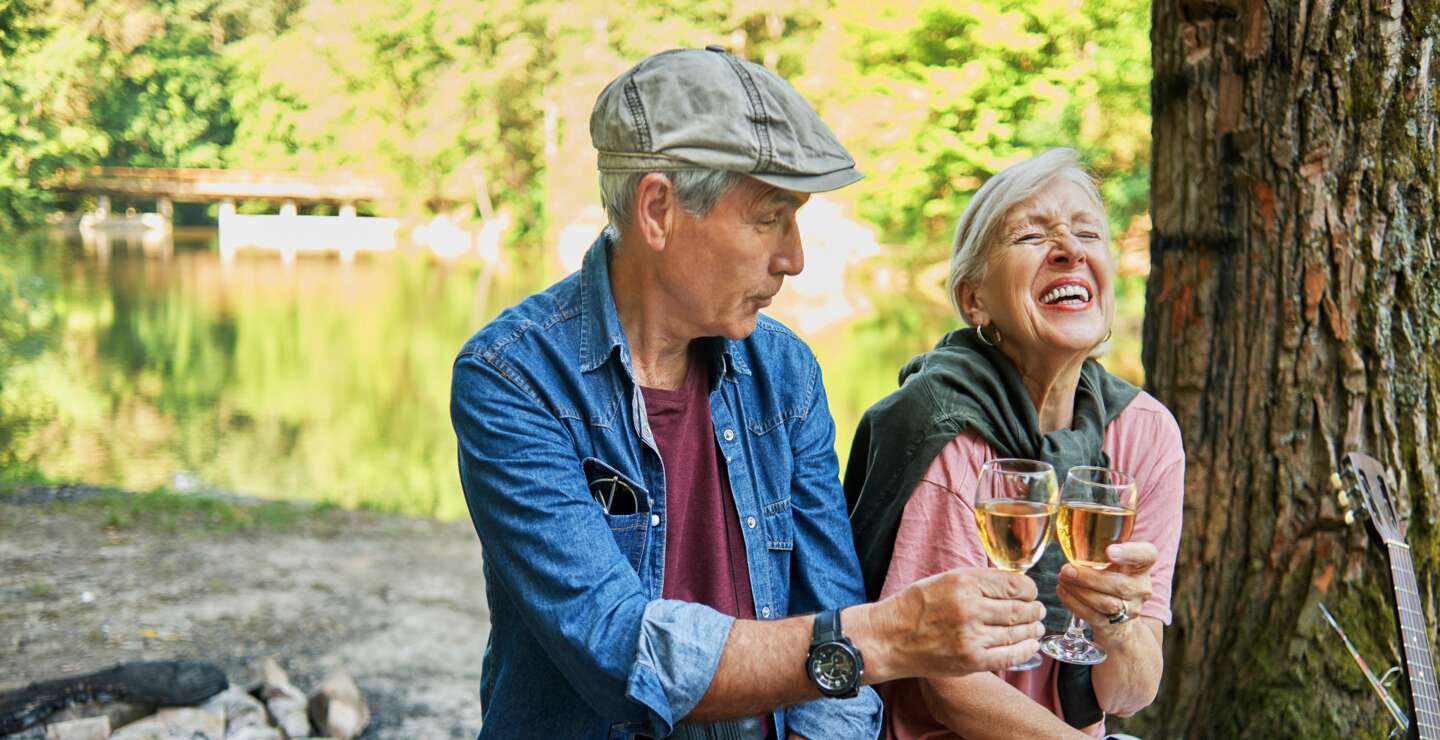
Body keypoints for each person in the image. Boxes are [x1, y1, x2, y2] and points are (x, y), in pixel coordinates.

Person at [450, 48, 1047, 739]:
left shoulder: (786, 373)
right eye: (770, 217)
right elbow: (619, 652)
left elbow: (833, 641)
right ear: (658, 210)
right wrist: (886, 637)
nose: (793, 256)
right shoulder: (513, 379)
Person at [845, 149, 1185, 738]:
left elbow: (1131, 691)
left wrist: (1117, 619)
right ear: (974, 298)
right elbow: (953, 687)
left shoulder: (1145, 432)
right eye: (1031, 234)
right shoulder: (944, 423)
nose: (1070, 250)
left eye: (1088, 233)